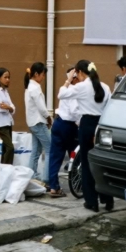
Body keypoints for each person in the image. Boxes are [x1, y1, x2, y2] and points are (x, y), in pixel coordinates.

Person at [59, 59, 113, 212]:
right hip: (102, 125)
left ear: (80, 72)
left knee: (87, 163)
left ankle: (91, 201)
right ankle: (107, 200)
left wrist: (69, 79)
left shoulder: (82, 87)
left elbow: (61, 94)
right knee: (102, 163)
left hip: (87, 124)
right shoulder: (105, 87)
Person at [47, 68, 81, 197]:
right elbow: (74, 112)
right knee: (76, 155)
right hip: (69, 126)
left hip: (58, 123)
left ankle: (54, 186)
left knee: (55, 157)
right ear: (75, 78)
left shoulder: (65, 89)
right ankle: (78, 183)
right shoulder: (74, 91)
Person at [24, 62, 51, 183]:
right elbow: (41, 107)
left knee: (36, 150)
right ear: (36, 74)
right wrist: (49, 117)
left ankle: (32, 175)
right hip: (39, 122)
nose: (43, 77)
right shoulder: (34, 88)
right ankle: (47, 177)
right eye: (43, 74)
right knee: (51, 148)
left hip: (33, 122)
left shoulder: (30, 87)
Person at [0, 67, 16, 164]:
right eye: (5, 77)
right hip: (1, 123)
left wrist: (9, 107)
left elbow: (12, 107)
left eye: (9, 77)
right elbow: (2, 108)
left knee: (5, 148)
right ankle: (6, 168)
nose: (8, 80)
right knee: (10, 148)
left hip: (7, 122)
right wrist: (10, 108)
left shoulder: (5, 91)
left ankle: (2, 169)